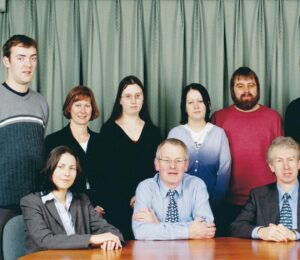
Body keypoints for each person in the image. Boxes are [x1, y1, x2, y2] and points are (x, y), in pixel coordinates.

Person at [211, 67, 283, 235]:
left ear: (258, 88)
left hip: (267, 201)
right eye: (240, 86)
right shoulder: (220, 117)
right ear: (231, 90)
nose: (246, 90)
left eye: (251, 85)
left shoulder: (273, 118)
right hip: (228, 202)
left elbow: (282, 159)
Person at [20, 146, 123, 254]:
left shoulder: (82, 200)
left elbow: (111, 231)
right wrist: (92, 239)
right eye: (61, 167)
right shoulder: (31, 202)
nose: (67, 173)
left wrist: (112, 240)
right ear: (50, 168)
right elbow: (45, 240)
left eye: (72, 168)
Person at [0, 35, 48, 259]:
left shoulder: (41, 103)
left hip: (33, 203)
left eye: (32, 58)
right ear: (6, 61)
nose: (28, 64)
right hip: (2, 203)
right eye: (21, 58)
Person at [99, 75, 162, 240]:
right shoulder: (108, 131)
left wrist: (141, 196)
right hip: (116, 207)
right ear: (120, 100)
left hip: (148, 207)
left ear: (143, 99)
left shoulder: (154, 132)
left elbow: (158, 172)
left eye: (138, 95)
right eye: (128, 96)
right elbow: (103, 173)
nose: (133, 101)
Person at [132, 138, 215, 240]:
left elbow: (207, 227)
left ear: (186, 165)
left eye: (179, 160)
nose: (172, 166)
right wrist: (188, 231)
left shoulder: (197, 185)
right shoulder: (145, 188)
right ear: (157, 164)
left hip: (191, 253)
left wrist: (158, 225)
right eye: (166, 160)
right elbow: (140, 232)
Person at [167, 83, 231, 210]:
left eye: (200, 101)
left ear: (208, 104)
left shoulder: (219, 134)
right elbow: (167, 171)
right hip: (179, 205)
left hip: (213, 206)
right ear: (184, 107)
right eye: (190, 102)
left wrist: (211, 205)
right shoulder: (175, 134)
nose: (196, 106)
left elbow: (224, 172)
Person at [231, 137, 300, 242]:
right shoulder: (258, 195)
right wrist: (261, 232)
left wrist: (295, 234)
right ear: (271, 166)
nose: (286, 166)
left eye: (290, 159)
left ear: (298, 164)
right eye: (279, 161)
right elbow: (236, 227)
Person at [45, 86, 101, 207]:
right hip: (67, 206)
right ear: (69, 108)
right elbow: (48, 180)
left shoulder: (102, 141)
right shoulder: (53, 141)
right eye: (77, 105)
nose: (83, 110)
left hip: (102, 208)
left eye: (87, 105)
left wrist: (101, 205)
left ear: (92, 109)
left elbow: (110, 178)